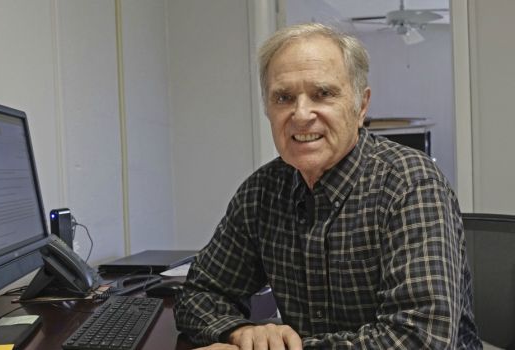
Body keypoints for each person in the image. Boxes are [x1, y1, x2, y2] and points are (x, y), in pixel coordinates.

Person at [174, 23, 482, 350]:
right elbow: (198, 293)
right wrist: (240, 332)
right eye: (284, 97)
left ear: (361, 106)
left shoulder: (410, 184)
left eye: (323, 94)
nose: (301, 114)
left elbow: (421, 338)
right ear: (268, 108)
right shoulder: (261, 192)